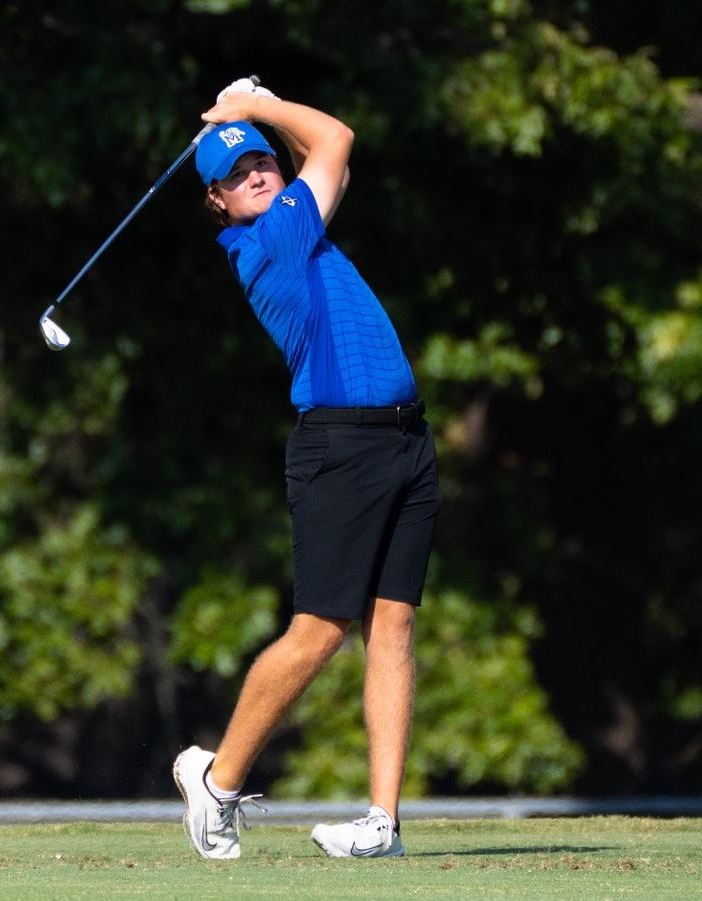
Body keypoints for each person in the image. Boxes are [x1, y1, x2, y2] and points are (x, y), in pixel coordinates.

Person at [172, 79, 440, 860]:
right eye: (236, 174)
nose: (255, 174)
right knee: (320, 629)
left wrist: (261, 115)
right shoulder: (271, 242)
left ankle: (383, 822)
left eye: (261, 162)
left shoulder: (300, 221)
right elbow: (336, 140)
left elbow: (329, 163)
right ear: (219, 202)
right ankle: (217, 781)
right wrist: (256, 102)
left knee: (393, 623)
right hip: (340, 448)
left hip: (405, 440)